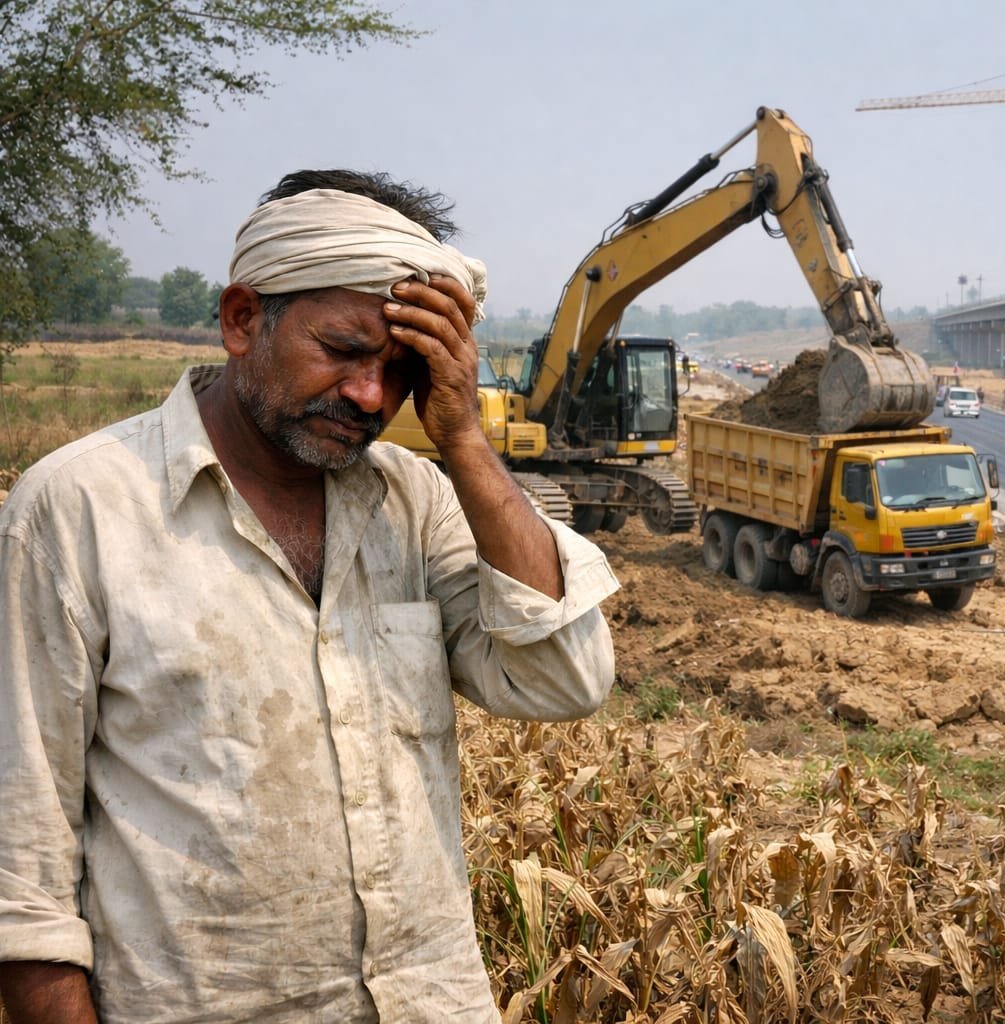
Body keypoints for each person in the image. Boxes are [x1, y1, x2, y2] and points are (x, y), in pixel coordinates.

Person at [0, 171, 620, 1022]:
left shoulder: (419, 501)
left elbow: (563, 681)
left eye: (402, 368)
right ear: (243, 319)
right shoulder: (80, 508)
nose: (371, 396)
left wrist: (465, 439)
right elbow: (21, 863)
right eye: (342, 350)